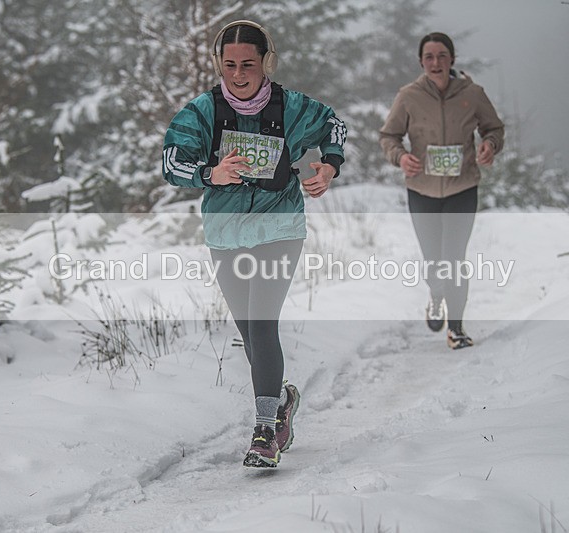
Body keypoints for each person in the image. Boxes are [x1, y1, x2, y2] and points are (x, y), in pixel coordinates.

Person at [162, 20, 346, 468]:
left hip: (279, 227)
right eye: (229, 66)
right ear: (218, 65)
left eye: (248, 64)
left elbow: (334, 127)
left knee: (261, 325)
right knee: (249, 332)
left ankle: (265, 430)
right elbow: (170, 162)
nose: (239, 75)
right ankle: (281, 399)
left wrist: (329, 168)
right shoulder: (203, 112)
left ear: (266, 62)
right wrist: (210, 174)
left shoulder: (293, 108)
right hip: (225, 233)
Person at [379, 32, 504, 350]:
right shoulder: (408, 95)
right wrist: (401, 157)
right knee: (434, 260)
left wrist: (490, 145)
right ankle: (436, 294)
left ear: (452, 59)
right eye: (429, 57)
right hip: (421, 189)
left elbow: (494, 128)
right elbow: (389, 136)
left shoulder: (472, 93)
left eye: (442, 56)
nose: (436, 62)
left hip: (462, 187)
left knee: (454, 259)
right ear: (422, 62)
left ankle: (457, 327)